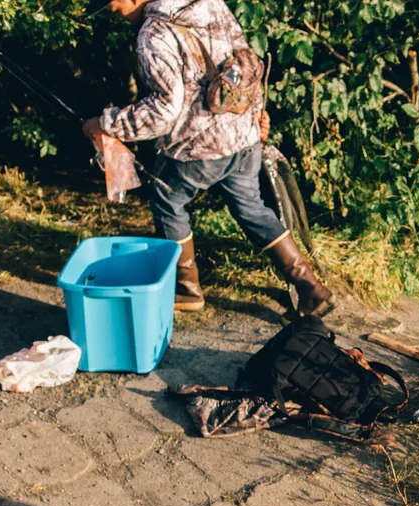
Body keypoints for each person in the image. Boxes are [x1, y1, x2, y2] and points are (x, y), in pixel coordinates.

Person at [83, 0, 333, 315]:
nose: (112, 12)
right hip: (243, 138)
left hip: (199, 147)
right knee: (252, 209)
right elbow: (247, 62)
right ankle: (311, 288)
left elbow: (164, 111)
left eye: (111, 4)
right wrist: (256, 114)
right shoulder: (208, 3)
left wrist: (106, 123)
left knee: (166, 201)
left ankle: (186, 290)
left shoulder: (153, 33)